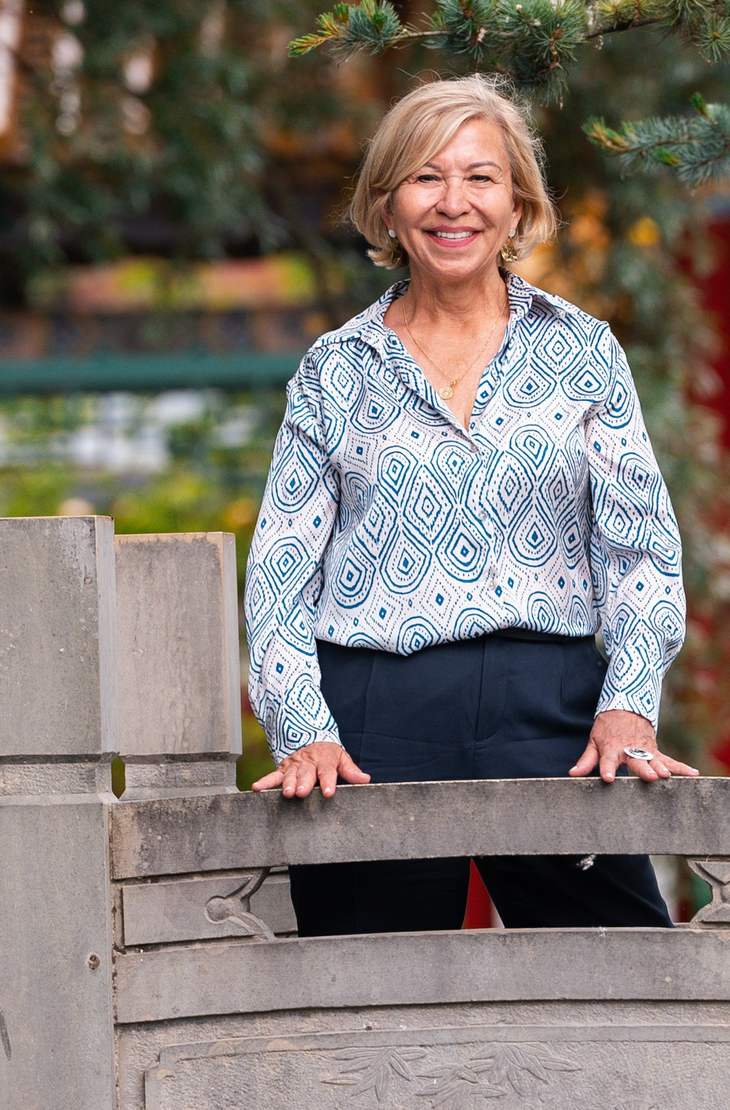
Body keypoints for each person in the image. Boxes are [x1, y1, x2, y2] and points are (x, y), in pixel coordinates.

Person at [242, 75, 694, 936]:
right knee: (367, 1001)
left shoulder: (582, 350)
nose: (455, 203)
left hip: (551, 709)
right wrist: (303, 727)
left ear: (520, 204)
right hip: (373, 725)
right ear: (386, 206)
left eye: (481, 177)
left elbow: (639, 547)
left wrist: (629, 699)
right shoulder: (335, 369)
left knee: (623, 976)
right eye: (425, 177)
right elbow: (279, 572)